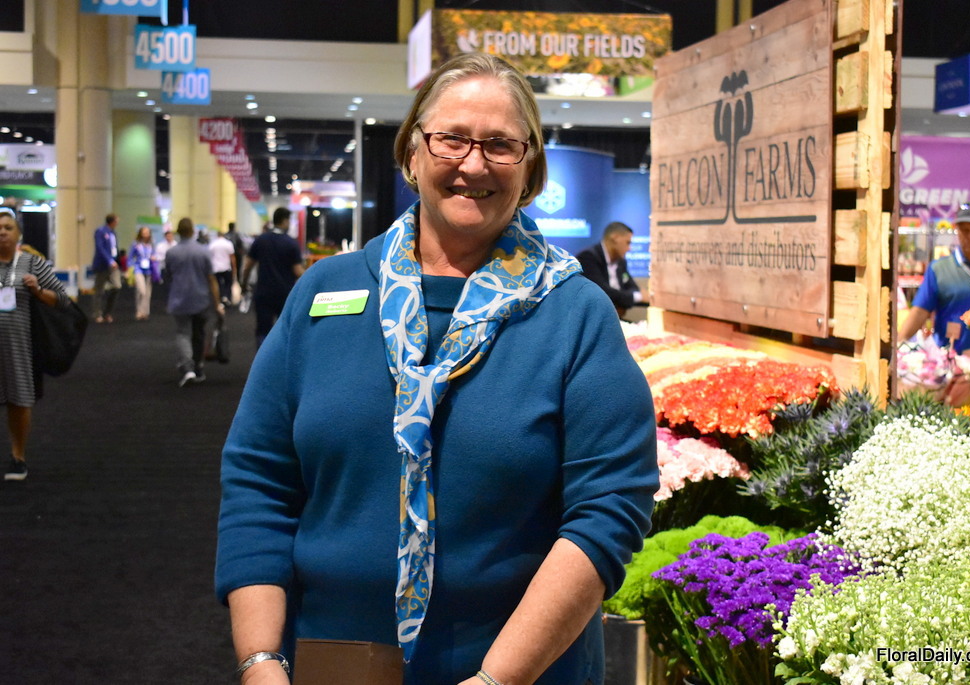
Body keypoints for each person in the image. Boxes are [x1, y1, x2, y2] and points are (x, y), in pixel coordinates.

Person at [215, 53, 659, 685]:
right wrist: (260, 661)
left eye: (500, 145)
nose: (473, 164)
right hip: (330, 661)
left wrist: (497, 679)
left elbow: (608, 507)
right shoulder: (323, 293)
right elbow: (259, 479)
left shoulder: (575, 313)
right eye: (451, 138)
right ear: (412, 152)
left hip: (517, 671)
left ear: (529, 168)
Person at [0, 208, 70, 481]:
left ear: (18, 233)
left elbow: (62, 298)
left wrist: (38, 291)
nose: (2, 232)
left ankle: (18, 456)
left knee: (19, 400)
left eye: (8, 228)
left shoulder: (32, 263)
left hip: (19, 345)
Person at [898, 202, 970, 354]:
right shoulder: (939, 269)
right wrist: (899, 345)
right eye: (965, 230)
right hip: (950, 359)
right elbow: (920, 312)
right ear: (957, 231)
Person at [164, 217, 224, 387]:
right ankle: (198, 366)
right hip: (200, 299)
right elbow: (211, 279)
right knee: (199, 333)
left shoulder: (171, 253)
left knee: (183, 333)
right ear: (192, 231)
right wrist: (217, 302)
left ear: (178, 232)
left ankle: (187, 368)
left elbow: (168, 276)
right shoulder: (203, 252)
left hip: (179, 299)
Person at [240, 206, 305, 348]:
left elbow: (248, 266)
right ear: (284, 220)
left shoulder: (261, 240)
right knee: (285, 330)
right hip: (285, 293)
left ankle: (262, 358)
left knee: (263, 330)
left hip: (263, 292)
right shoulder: (291, 243)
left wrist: (243, 285)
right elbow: (298, 271)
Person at [575, 221, 648, 318]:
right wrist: (638, 297)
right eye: (628, 242)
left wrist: (624, 298)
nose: (629, 248)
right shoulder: (588, 257)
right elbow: (603, 292)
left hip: (617, 318)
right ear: (615, 238)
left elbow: (632, 286)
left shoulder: (621, 261)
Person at [91, 213, 121, 323]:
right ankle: (97, 313)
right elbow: (100, 248)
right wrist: (109, 260)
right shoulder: (100, 231)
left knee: (117, 286)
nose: (118, 223)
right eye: (117, 221)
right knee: (99, 290)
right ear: (112, 221)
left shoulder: (113, 233)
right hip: (102, 264)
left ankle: (107, 312)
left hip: (113, 265)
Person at [127, 226, 156, 321]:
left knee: (147, 293)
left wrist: (154, 258)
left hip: (148, 270)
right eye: (144, 232)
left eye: (147, 232)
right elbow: (130, 257)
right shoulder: (135, 244)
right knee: (141, 291)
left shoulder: (151, 244)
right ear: (140, 233)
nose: (146, 234)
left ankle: (145, 312)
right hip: (138, 269)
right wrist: (129, 269)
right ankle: (139, 311)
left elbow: (154, 254)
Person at [208, 228, 237, 307]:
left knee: (218, 284)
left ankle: (220, 299)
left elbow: (209, 257)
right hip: (226, 267)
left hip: (216, 268)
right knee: (228, 283)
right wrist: (234, 268)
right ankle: (227, 298)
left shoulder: (212, 244)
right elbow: (232, 258)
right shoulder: (228, 243)